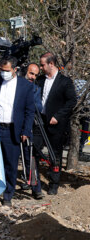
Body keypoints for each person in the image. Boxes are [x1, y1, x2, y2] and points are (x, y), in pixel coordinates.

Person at [0, 56, 35, 206]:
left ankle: (8, 195)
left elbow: (30, 111)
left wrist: (26, 131)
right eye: (1, 70)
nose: (3, 73)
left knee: (10, 164)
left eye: (6, 70)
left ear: (15, 69)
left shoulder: (25, 86)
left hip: (13, 130)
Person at [37, 52, 76, 195]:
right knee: (35, 150)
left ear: (51, 64)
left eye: (43, 65)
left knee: (55, 154)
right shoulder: (40, 80)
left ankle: (54, 183)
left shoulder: (65, 82)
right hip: (40, 121)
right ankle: (34, 181)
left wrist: (58, 116)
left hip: (56, 124)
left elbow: (72, 101)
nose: (41, 67)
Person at [21, 63, 44, 199]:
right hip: (14, 125)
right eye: (31, 73)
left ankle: (36, 188)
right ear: (25, 72)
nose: (33, 77)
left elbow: (39, 107)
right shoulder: (16, 85)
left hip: (29, 127)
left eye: (35, 75)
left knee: (31, 158)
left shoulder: (35, 89)